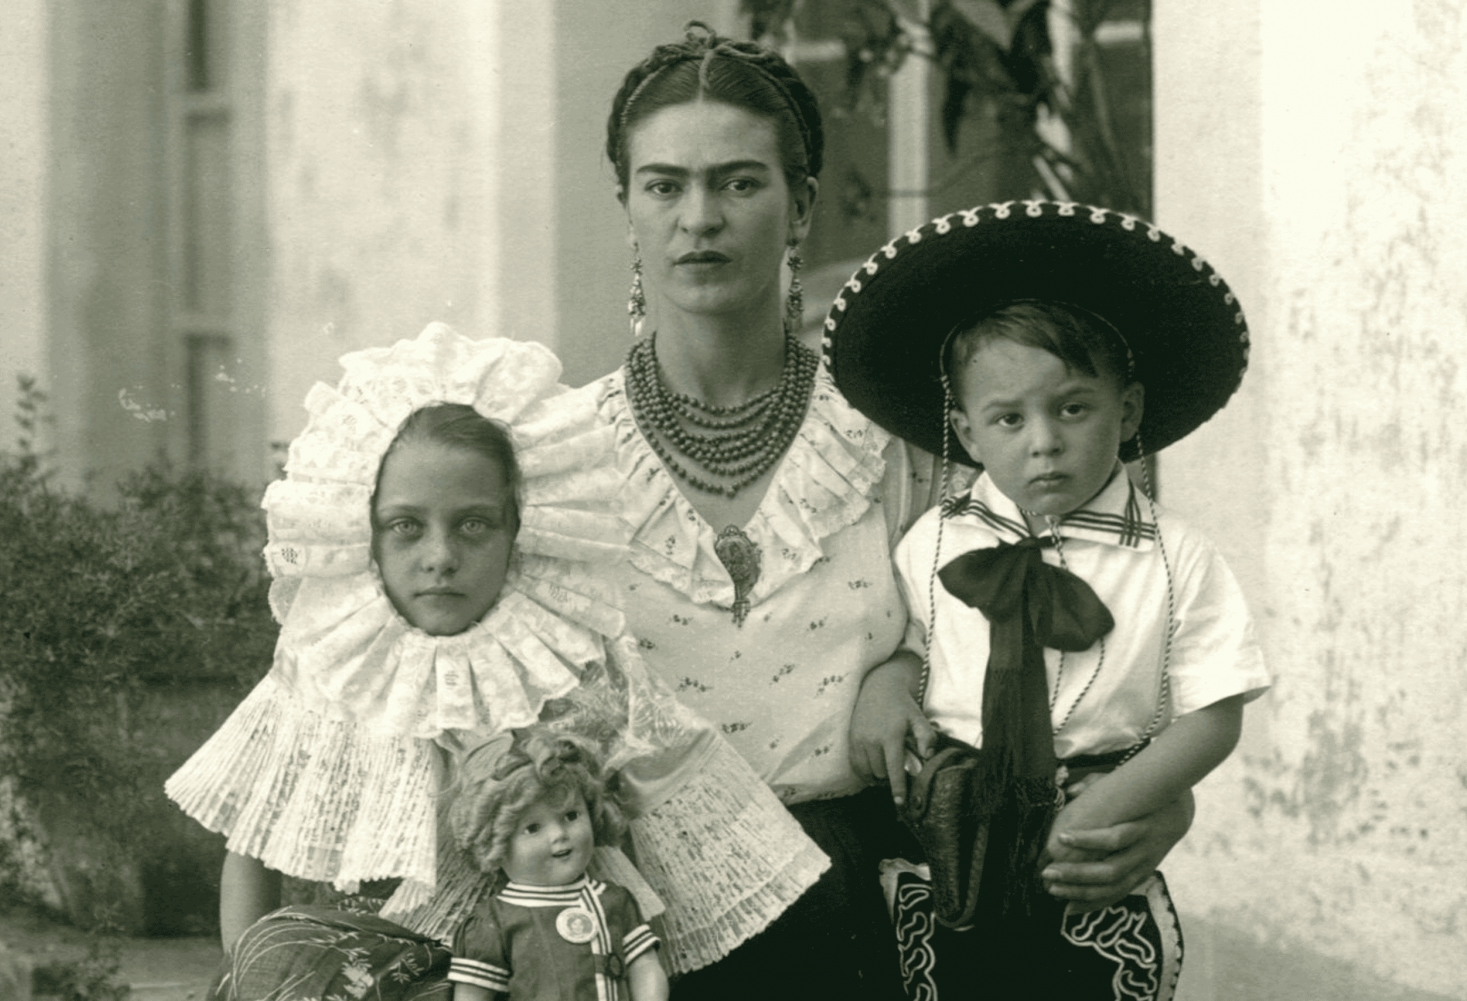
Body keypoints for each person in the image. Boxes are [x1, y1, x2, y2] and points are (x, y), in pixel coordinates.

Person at [593, 24, 1198, 998]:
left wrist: (1155, 798)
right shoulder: (557, 458)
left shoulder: (902, 439)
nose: (698, 217)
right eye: (665, 184)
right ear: (627, 205)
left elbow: (1062, 649)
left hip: (863, 924)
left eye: (740, 182)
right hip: (634, 922)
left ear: (802, 208)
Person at [166, 324, 822, 998]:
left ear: (520, 528)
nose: (441, 555)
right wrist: (251, 976)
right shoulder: (330, 658)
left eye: (474, 523)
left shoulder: (571, 658)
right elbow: (253, 842)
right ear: (365, 531)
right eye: (407, 525)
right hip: (368, 972)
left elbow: (656, 803)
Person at [822, 200, 1271, 997]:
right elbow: (908, 642)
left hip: (1092, 811)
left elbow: (1214, 710)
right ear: (965, 430)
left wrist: (1120, 802)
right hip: (953, 818)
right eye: (1009, 417)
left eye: (1072, 407)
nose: (1044, 440)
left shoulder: (1178, 558)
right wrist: (889, 682)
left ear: (1126, 409)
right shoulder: (933, 541)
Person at [446, 727, 667, 1001]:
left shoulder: (615, 901)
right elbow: (471, 996)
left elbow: (645, 966)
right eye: (533, 828)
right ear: (497, 844)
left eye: (571, 815)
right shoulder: (495, 920)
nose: (559, 834)